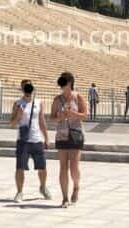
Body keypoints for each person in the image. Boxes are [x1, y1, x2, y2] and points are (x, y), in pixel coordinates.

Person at [8, 79, 51, 203]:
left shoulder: (38, 102)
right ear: (22, 88)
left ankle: (43, 187)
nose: (27, 89)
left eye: (29, 86)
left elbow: (42, 121)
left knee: (42, 167)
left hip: (37, 139)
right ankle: (19, 192)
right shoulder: (17, 104)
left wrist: (46, 138)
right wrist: (19, 116)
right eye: (25, 87)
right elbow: (12, 124)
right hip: (23, 140)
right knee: (20, 167)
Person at [50, 71, 87, 208]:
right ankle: (65, 198)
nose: (61, 85)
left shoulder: (78, 97)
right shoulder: (57, 100)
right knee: (63, 167)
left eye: (64, 82)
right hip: (61, 134)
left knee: (73, 167)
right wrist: (60, 116)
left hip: (76, 134)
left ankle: (76, 186)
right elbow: (52, 118)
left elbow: (85, 115)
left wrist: (72, 113)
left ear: (70, 83)